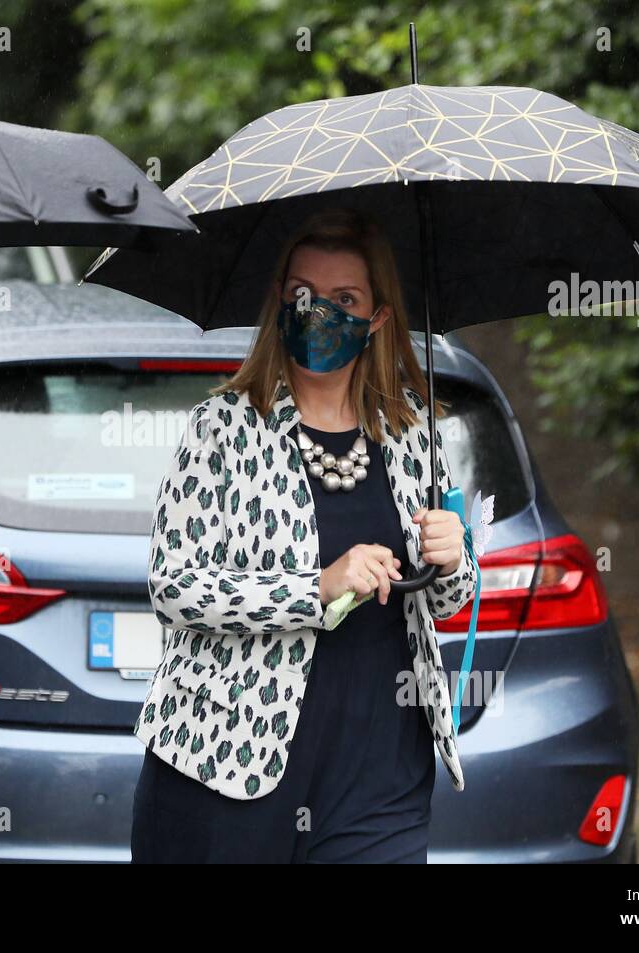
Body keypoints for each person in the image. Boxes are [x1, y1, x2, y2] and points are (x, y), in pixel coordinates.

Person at [131, 208, 478, 863]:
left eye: (343, 299)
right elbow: (173, 583)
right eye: (303, 295)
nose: (319, 312)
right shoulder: (223, 428)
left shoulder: (411, 434)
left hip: (381, 773)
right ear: (279, 302)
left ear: (377, 318)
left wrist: (454, 557)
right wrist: (314, 586)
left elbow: (444, 596)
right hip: (232, 764)